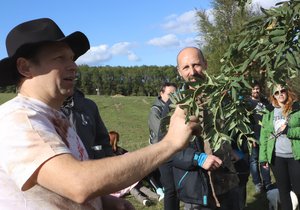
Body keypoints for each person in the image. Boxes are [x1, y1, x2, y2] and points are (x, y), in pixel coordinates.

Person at [0, 18, 203, 210]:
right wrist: (169, 143)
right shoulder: (19, 119)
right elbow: (77, 183)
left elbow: (58, 184)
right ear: (25, 67)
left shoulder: (54, 117)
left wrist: (104, 201)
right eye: (60, 58)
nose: (73, 66)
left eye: (71, 58)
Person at [157, 47, 229, 210]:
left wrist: (239, 153)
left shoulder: (222, 95)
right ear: (179, 71)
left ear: (205, 64)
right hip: (196, 190)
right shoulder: (174, 105)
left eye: (196, 65)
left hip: (228, 183)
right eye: (186, 67)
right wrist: (197, 158)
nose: (192, 71)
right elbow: (165, 148)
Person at [259, 83, 300, 210]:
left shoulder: (297, 108)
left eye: (282, 90)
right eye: (276, 92)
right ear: (273, 96)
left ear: (287, 92)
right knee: (283, 191)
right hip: (277, 158)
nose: (280, 94)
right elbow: (264, 135)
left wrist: (289, 131)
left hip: (295, 156)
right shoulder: (269, 112)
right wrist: (263, 158)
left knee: (299, 189)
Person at [108, 131, 161, 206]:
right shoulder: (119, 150)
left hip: (120, 180)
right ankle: (156, 196)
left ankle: (144, 200)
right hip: (125, 178)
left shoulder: (107, 152)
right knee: (137, 186)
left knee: (134, 189)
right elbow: (131, 156)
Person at [61, 88, 114, 159]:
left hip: (94, 166)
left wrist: (108, 160)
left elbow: (103, 139)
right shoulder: (44, 110)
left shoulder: (89, 106)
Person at [148, 82, 177, 202]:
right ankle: (161, 190)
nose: (173, 98)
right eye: (170, 94)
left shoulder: (174, 107)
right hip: (160, 147)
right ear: (161, 94)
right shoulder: (155, 110)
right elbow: (161, 130)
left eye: (175, 94)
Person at [247, 81, 272, 193]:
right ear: (250, 90)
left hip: (265, 135)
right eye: (253, 89)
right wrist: (250, 136)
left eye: (257, 88)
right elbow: (246, 122)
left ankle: (267, 183)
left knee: (264, 159)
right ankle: (257, 183)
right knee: (254, 160)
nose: (255, 91)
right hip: (254, 135)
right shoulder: (247, 103)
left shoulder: (265, 102)